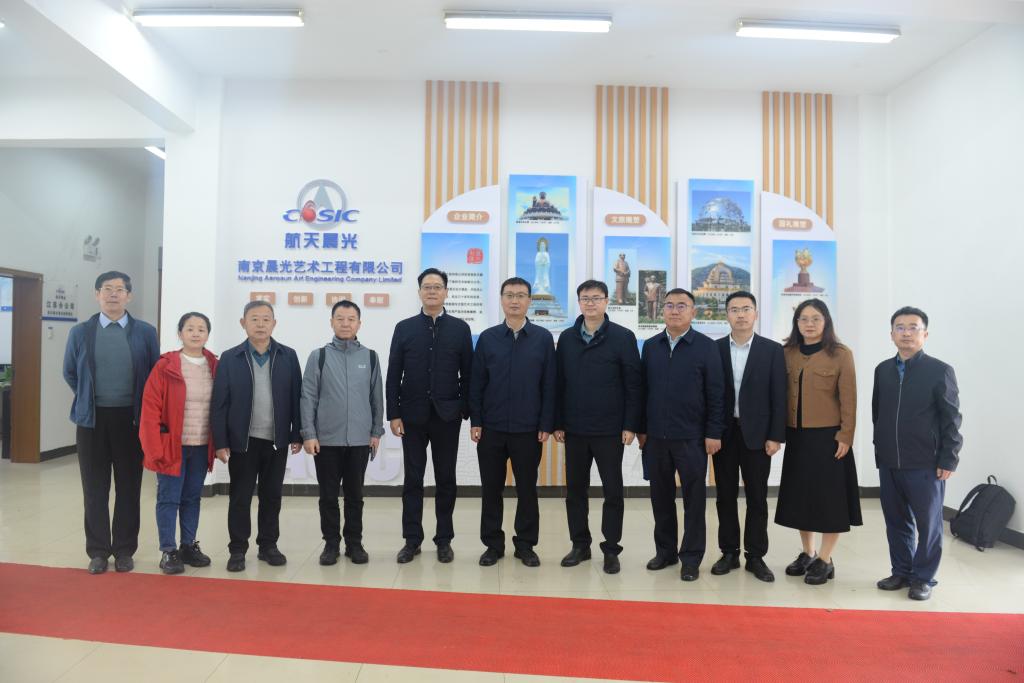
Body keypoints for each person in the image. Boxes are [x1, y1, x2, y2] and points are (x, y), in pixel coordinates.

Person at [63, 271, 159, 575]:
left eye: (120, 289)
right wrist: (89, 397)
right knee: (94, 489)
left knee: (129, 487)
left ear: (129, 296)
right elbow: (70, 372)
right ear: (97, 294)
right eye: (107, 289)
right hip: (92, 420)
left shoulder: (145, 332)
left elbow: (153, 375)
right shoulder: (81, 332)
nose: (113, 294)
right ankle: (98, 551)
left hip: (132, 419)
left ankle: (124, 550)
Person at [873, 306, 963, 601]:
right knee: (896, 521)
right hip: (890, 462)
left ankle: (923, 578)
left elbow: (951, 418)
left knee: (929, 524)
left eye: (914, 327)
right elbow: (877, 413)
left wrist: (949, 458)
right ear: (891, 334)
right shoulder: (882, 370)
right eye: (900, 327)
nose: (906, 333)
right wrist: (880, 451)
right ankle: (901, 571)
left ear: (925, 334)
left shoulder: (939, 371)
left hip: (926, 463)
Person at [386, 268, 473, 564]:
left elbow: (469, 374)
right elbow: (394, 373)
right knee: (413, 479)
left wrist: (464, 408)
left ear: (446, 292)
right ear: (419, 292)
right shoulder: (405, 328)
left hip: (447, 416)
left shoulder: (460, 329)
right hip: (412, 416)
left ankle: (444, 539)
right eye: (427, 286)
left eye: (437, 287)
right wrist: (394, 413)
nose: (432, 291)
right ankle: (412, 540)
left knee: (446, 478)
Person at [554, 280, 642, 574]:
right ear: (579, 302)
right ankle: (580, 545)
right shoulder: (567, 338)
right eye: (585, 298)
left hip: (610, 430)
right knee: (575, 491)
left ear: (606, 301)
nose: (590, 303)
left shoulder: (623, 337)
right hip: (575, 429)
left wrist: (630, 424)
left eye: (596, 298)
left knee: (612, 491)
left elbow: (633, 385)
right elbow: (559, 383)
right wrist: (558, 422)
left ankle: (611, 549)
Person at [469, 277, 556, 568]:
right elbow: (477, 383)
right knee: (491, 489)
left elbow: (549, 384)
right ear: (501, 299)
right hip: (491, 428)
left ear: (529, 300)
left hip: (528, 429)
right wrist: (476, 420)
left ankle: (526, 545)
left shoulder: (542, 339)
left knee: (527, 489)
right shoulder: (488, 338)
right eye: (509, 295)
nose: (515, 300)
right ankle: (492, 545)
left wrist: (546, 423)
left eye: (520, 295)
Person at [638, 288, 724, 581]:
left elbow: (716, 394)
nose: (674, 310)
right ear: (662, 310)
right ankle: (665, 552)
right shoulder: (651, 346)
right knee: (660, 498)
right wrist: (642, 429)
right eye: (669, 305)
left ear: (693, 311)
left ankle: (691, 558)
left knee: (694, 501)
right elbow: (642, 391)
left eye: (681, 306)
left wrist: (713, 432)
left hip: (692, 438)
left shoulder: (706, 347)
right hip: (656, 438)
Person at [211, 300, 302, 572]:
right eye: (254, 319)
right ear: (243, 323)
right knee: (240, 497)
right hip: (243, 441)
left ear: (274, 324)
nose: (260, 324)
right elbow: (219, 403)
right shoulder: (231, 357)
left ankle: (268, 546)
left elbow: (297, 397)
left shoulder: (288, 356)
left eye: (265, 319)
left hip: (276, 440)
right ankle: (237, 549)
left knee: (272, 495)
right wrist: (221, 441)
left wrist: (297, 433)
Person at [775, 298, 861, 585]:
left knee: (828, 500)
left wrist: (846, 436)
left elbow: (849, 399)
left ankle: (825, 559)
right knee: (802, 498)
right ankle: (808, 552)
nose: (809, 324)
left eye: (816, 319)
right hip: (797, 437)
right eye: (803, 319)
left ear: (826, 322)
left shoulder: (841, 354)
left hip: (829, 438)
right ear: (796, 323)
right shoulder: (787, 353)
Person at [710, 291, 786, 583]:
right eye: (734, 309)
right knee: (725, 496)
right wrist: (711, 432)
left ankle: (755, 555)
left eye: (746, 309)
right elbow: (709, 395)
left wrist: (775, 436)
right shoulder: (715, 349)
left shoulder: (772, 350)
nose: (740, 314)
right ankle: (729, 552)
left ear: (756, 314)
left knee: (757, 497)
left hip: (758, 435)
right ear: (726, 315)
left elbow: (779, 396)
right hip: (724, 434)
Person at [300, 300, 384, 566]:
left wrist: (376, 432)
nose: (345, 323)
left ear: (359, 324)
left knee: (355, 496)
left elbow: (376, 399)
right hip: (326, 440)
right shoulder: (319, 356)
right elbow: (308, 397)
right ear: (331, 322)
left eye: (351, 319)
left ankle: (354, 544)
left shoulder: (370, 357)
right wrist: (309, 433)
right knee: (328, 496)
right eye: (340, 319)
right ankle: (331, 544)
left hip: (359, 440)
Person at [139, 312, 217, 575]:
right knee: (169, 498)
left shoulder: (214, 365)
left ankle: (188, 545)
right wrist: (153, 448)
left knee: (192, 497)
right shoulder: (166, 366)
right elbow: (150, 409)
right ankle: (168, 550)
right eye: (190, 328)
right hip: (172, 445)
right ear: (180, 333)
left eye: (201, 329)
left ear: (207, 334)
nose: (196, 333)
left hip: (201, 444)